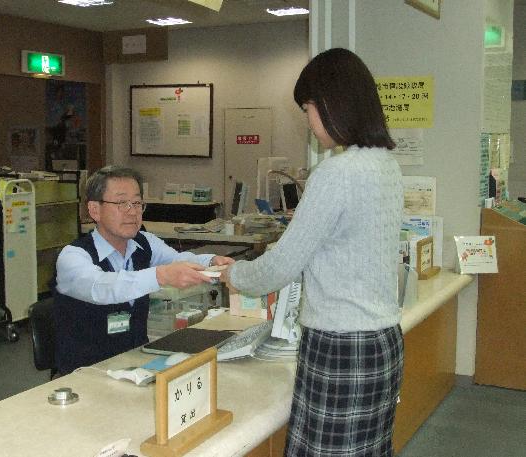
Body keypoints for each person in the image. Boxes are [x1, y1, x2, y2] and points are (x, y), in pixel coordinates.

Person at [221, 48, 404, 456]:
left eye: (307, 108)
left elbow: (282, 266)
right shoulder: (386, 166)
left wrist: (232, 274)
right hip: (382, 341)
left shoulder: (336, 174)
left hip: (340, 345)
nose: (307, 120)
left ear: (331, 104)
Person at [53, 165, 234, 375]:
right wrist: (161, 275)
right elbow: (102, 287)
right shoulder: (73, 256)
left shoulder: (144, 242)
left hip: (135, 361)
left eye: (137, 203)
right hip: (86, 371)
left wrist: (212, 261)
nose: (132, 211)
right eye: (122, 203)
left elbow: (177, 259)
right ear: (95, 210)